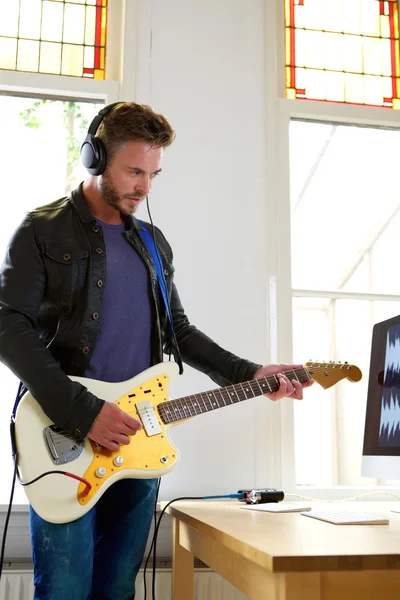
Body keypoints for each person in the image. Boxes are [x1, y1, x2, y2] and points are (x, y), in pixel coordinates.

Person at [0, 101, 313, 600]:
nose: (145, 187)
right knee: (63, 589)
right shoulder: (41, 229)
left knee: (119, 588)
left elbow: (179, 330)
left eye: (154, 174)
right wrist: (84, 413)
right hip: (63, 437)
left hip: (141, 440)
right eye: (134, 172)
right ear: (96, 158)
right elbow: (7, 325)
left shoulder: (152, 243)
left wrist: (251, 372)